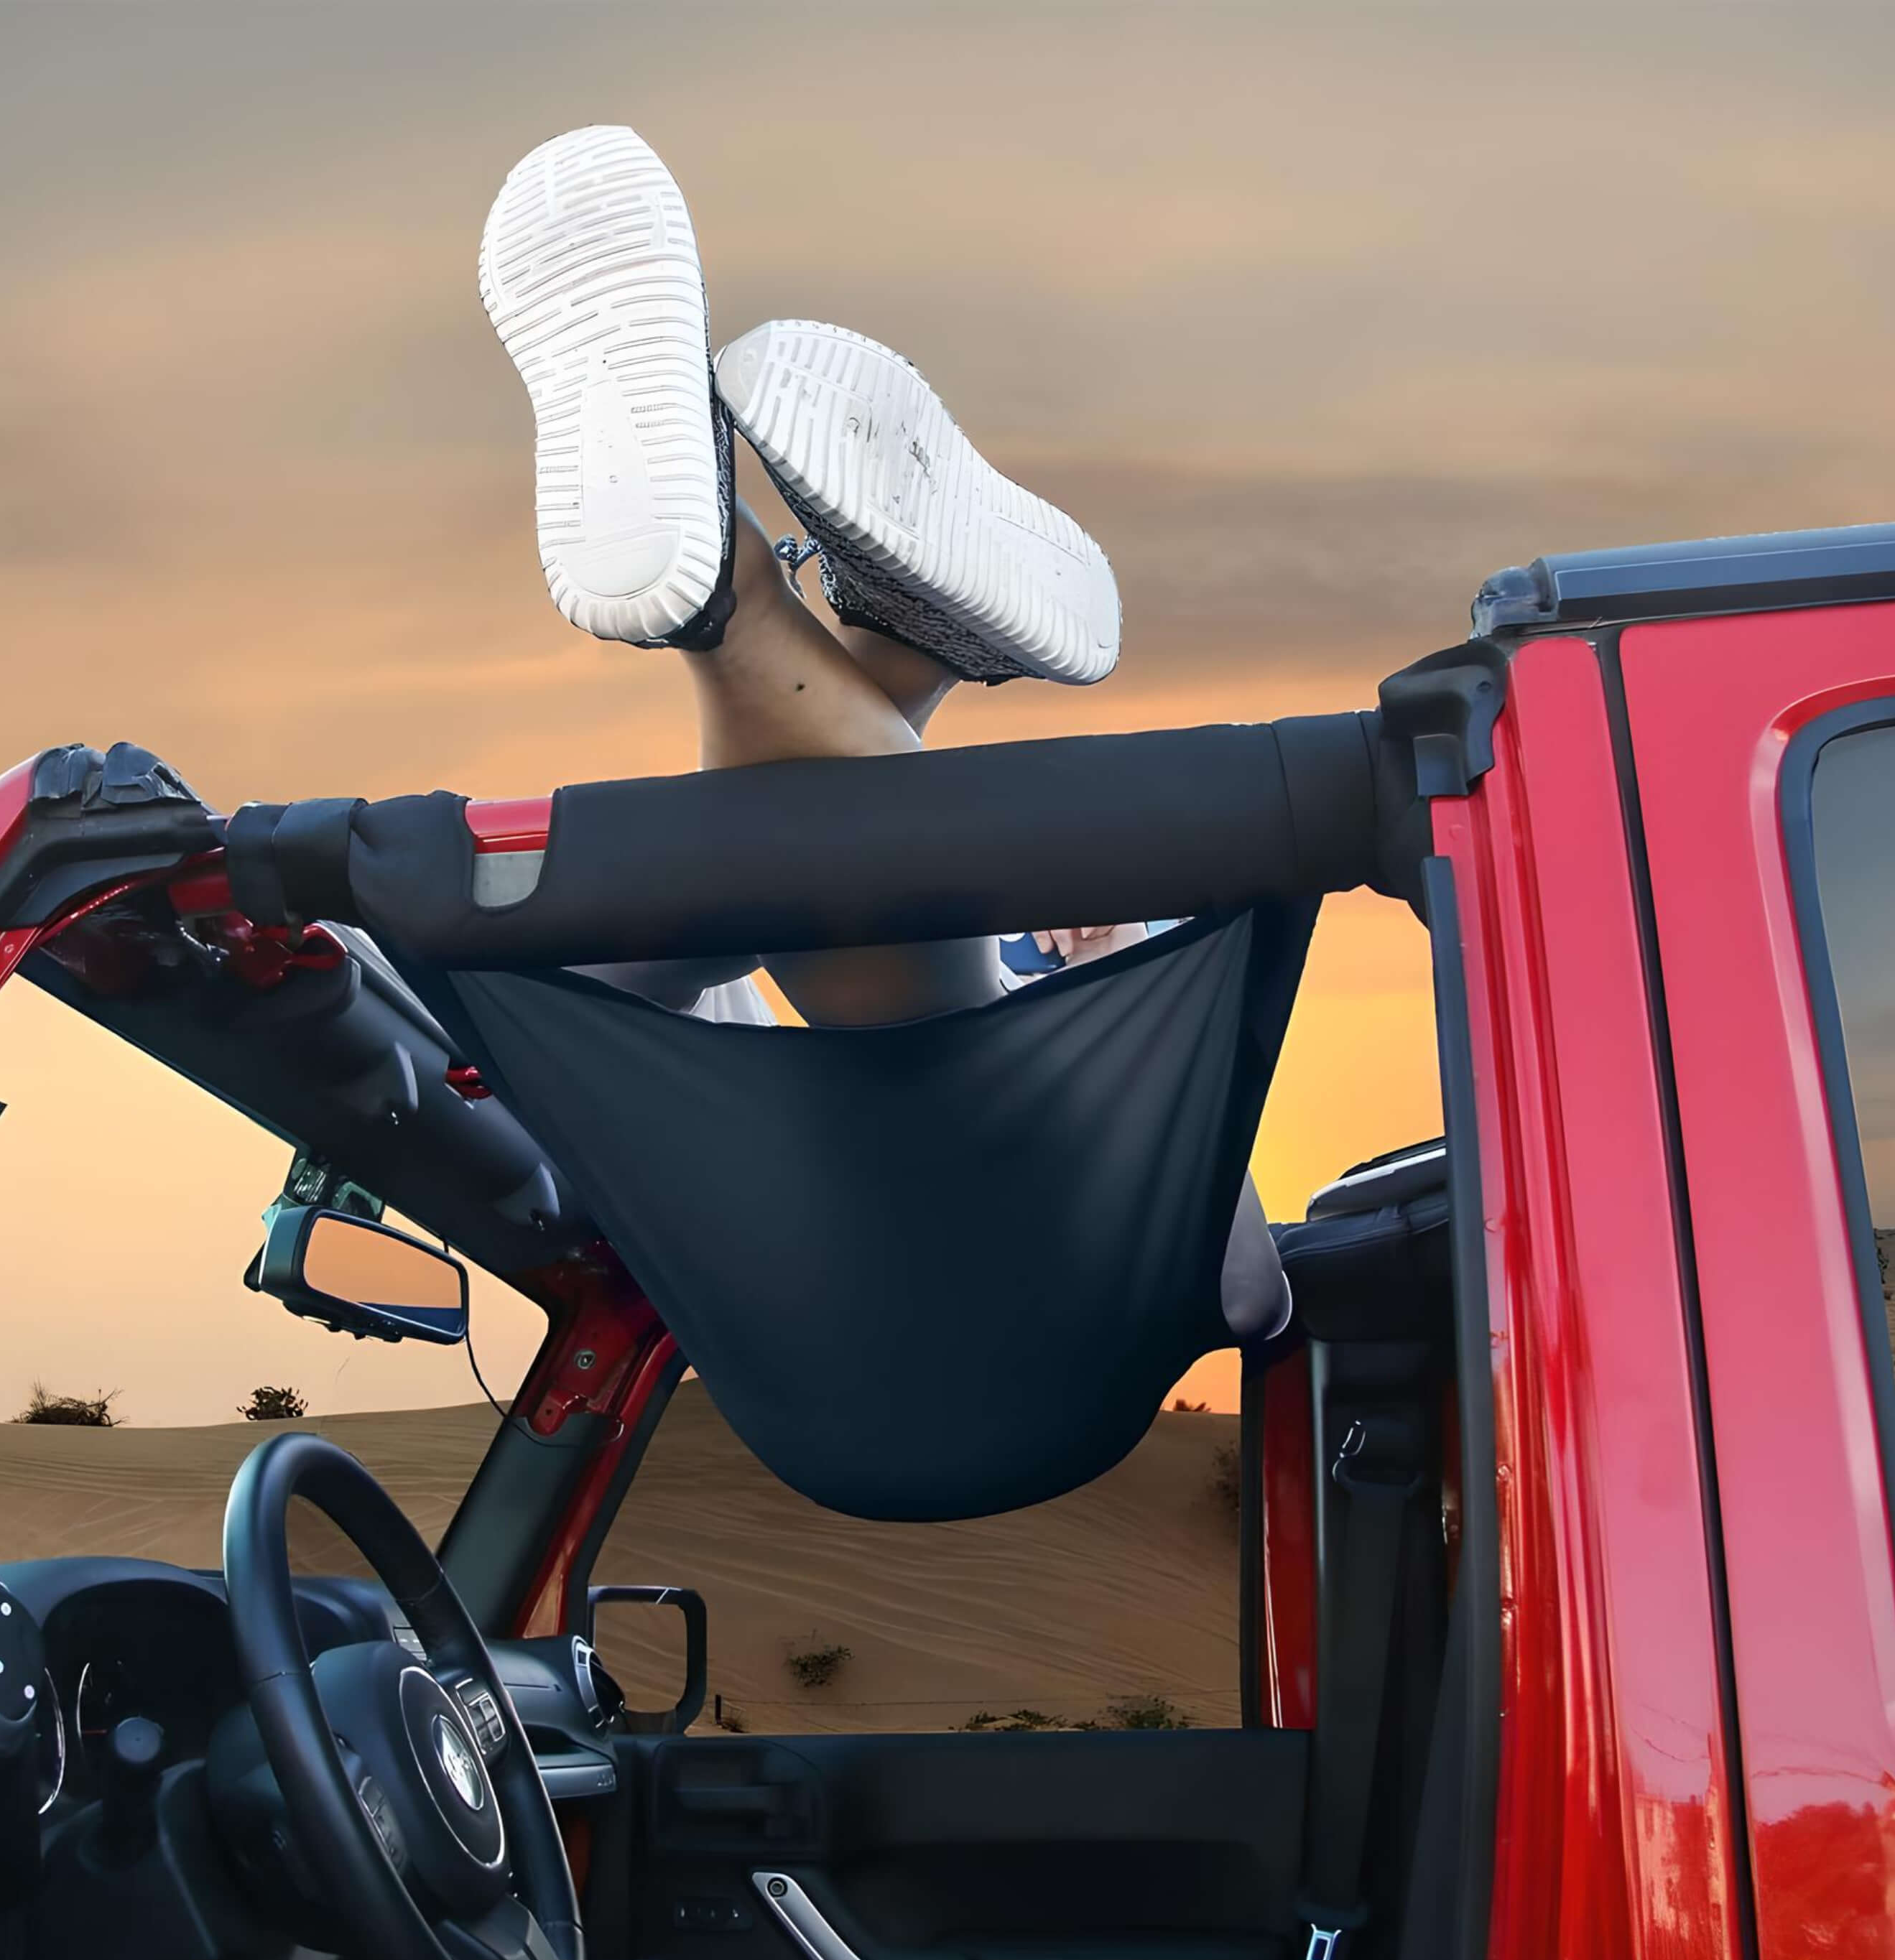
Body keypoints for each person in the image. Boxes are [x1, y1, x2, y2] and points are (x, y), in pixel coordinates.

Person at [476, 124, 1289, 1342]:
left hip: (757, 1137)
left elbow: (1236, 1295)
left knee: (571, 998)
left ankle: (839, 639)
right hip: (845, 1133)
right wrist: (1109, 977)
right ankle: (816, 636)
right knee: (741, 976)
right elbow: (1243, 1298)